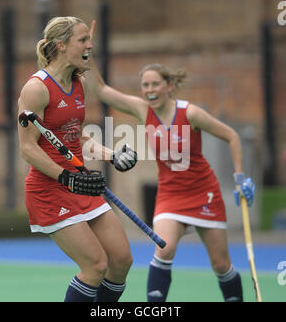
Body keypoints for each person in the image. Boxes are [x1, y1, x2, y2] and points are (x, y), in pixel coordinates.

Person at [86, 57, 255, 302]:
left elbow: (232, 136)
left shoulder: (191, 113)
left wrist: (240, 178)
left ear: (169, 86)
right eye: (145, 85)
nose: (150, 90)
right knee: (164, 250)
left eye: (155, 84)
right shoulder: (143, 110)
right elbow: (101, 90)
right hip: (170, 195)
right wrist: (87, 57)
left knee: (221, 264)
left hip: (203, 192)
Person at [17, 16, 138, 302]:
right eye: (83, 40)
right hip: (49, 191)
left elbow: (75, 135)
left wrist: (111, 155)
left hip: (79, 186)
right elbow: (28, 148)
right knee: (96, 266)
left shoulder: (77, 83)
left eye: (89, 40)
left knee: (121, 261)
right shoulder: (36, 89)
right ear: (61, 45)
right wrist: (65, 176)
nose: (90, 45)